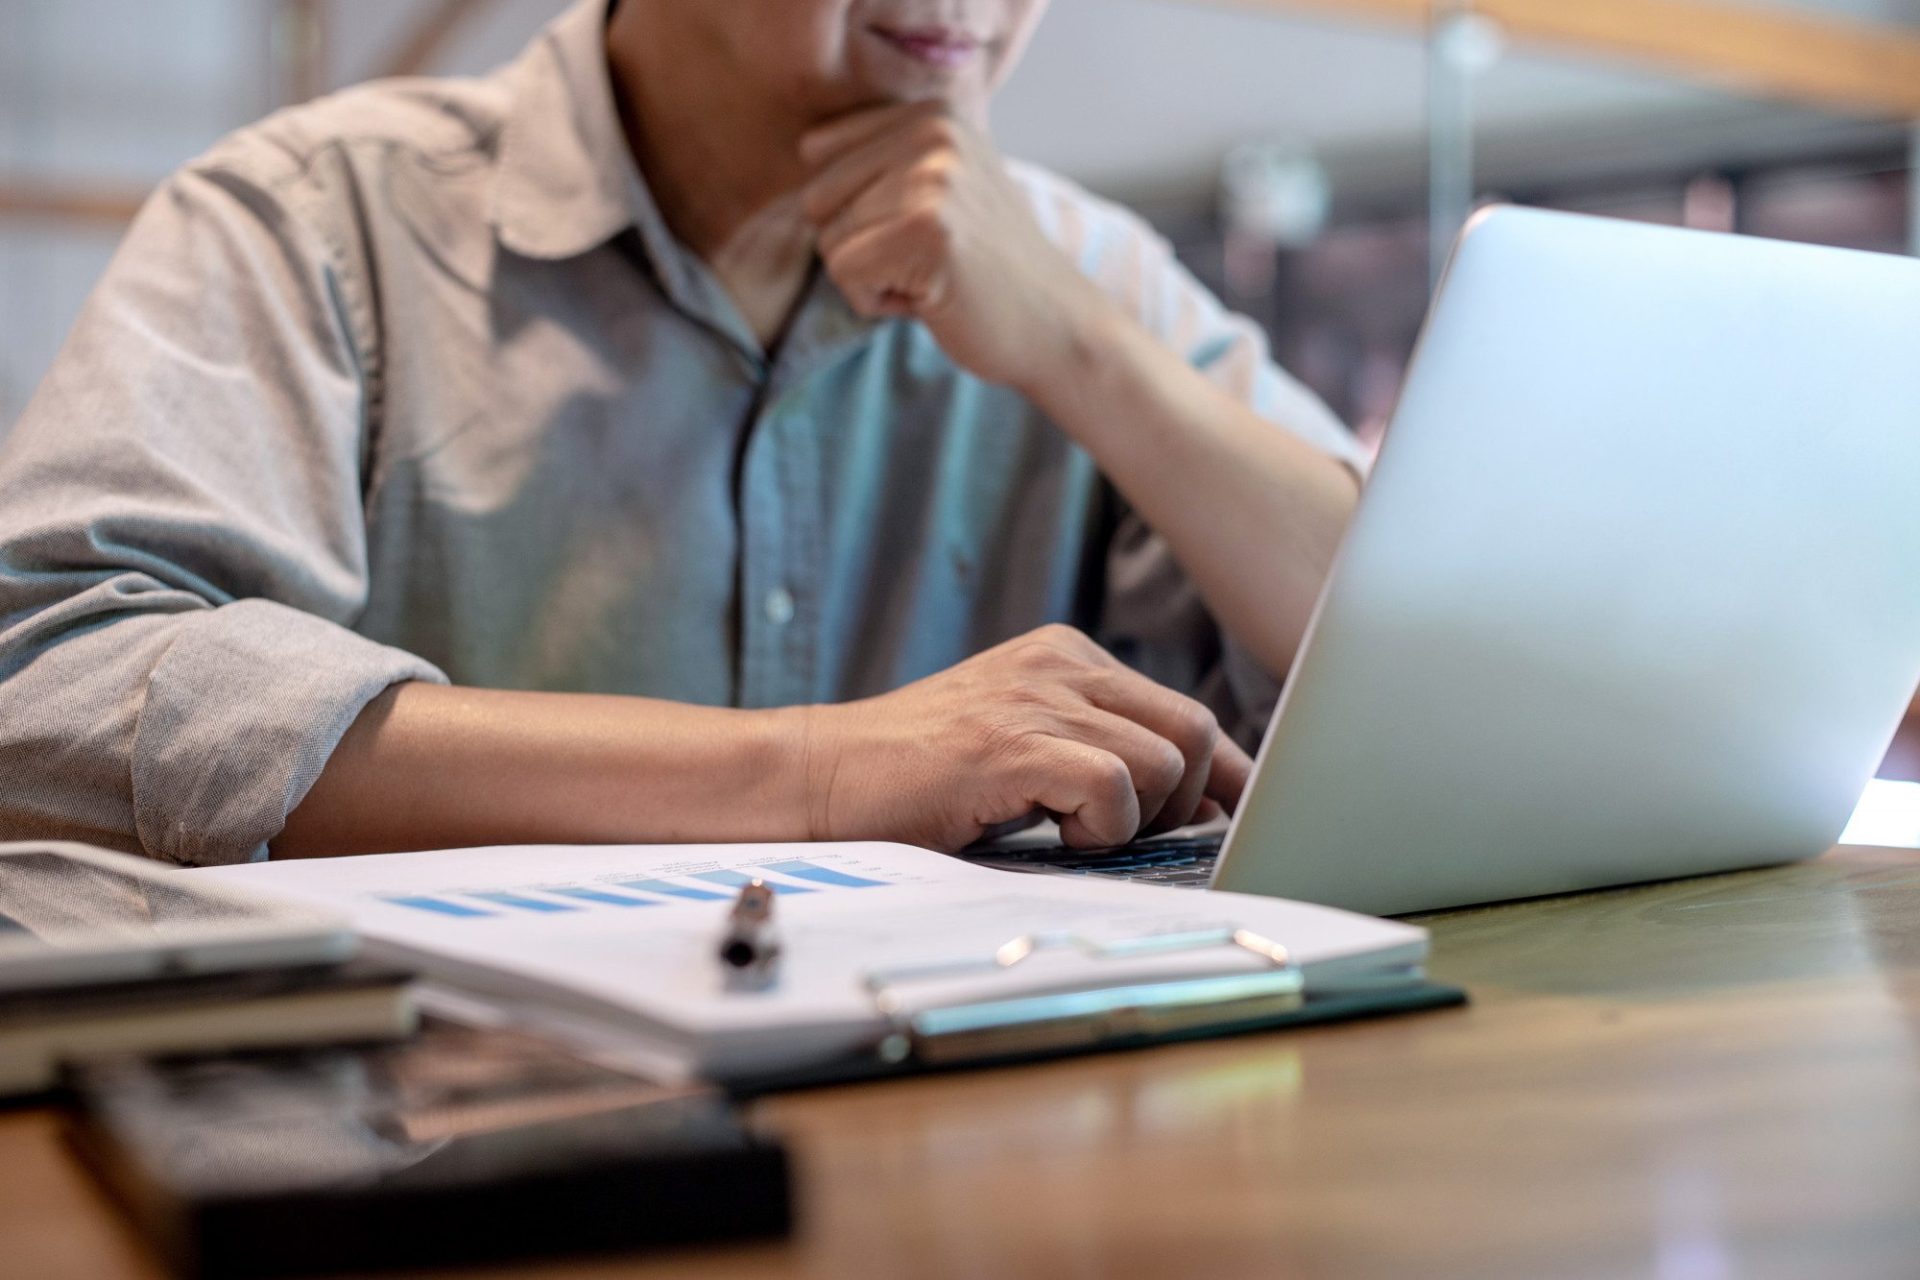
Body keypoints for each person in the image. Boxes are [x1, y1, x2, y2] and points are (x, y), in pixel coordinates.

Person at [0, 0, 1362, 867]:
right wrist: (820, 772)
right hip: (439, 1144)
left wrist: (1080, 349)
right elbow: (47, 686)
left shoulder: (1087, 276)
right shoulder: (311, 220)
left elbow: (1442, 668)